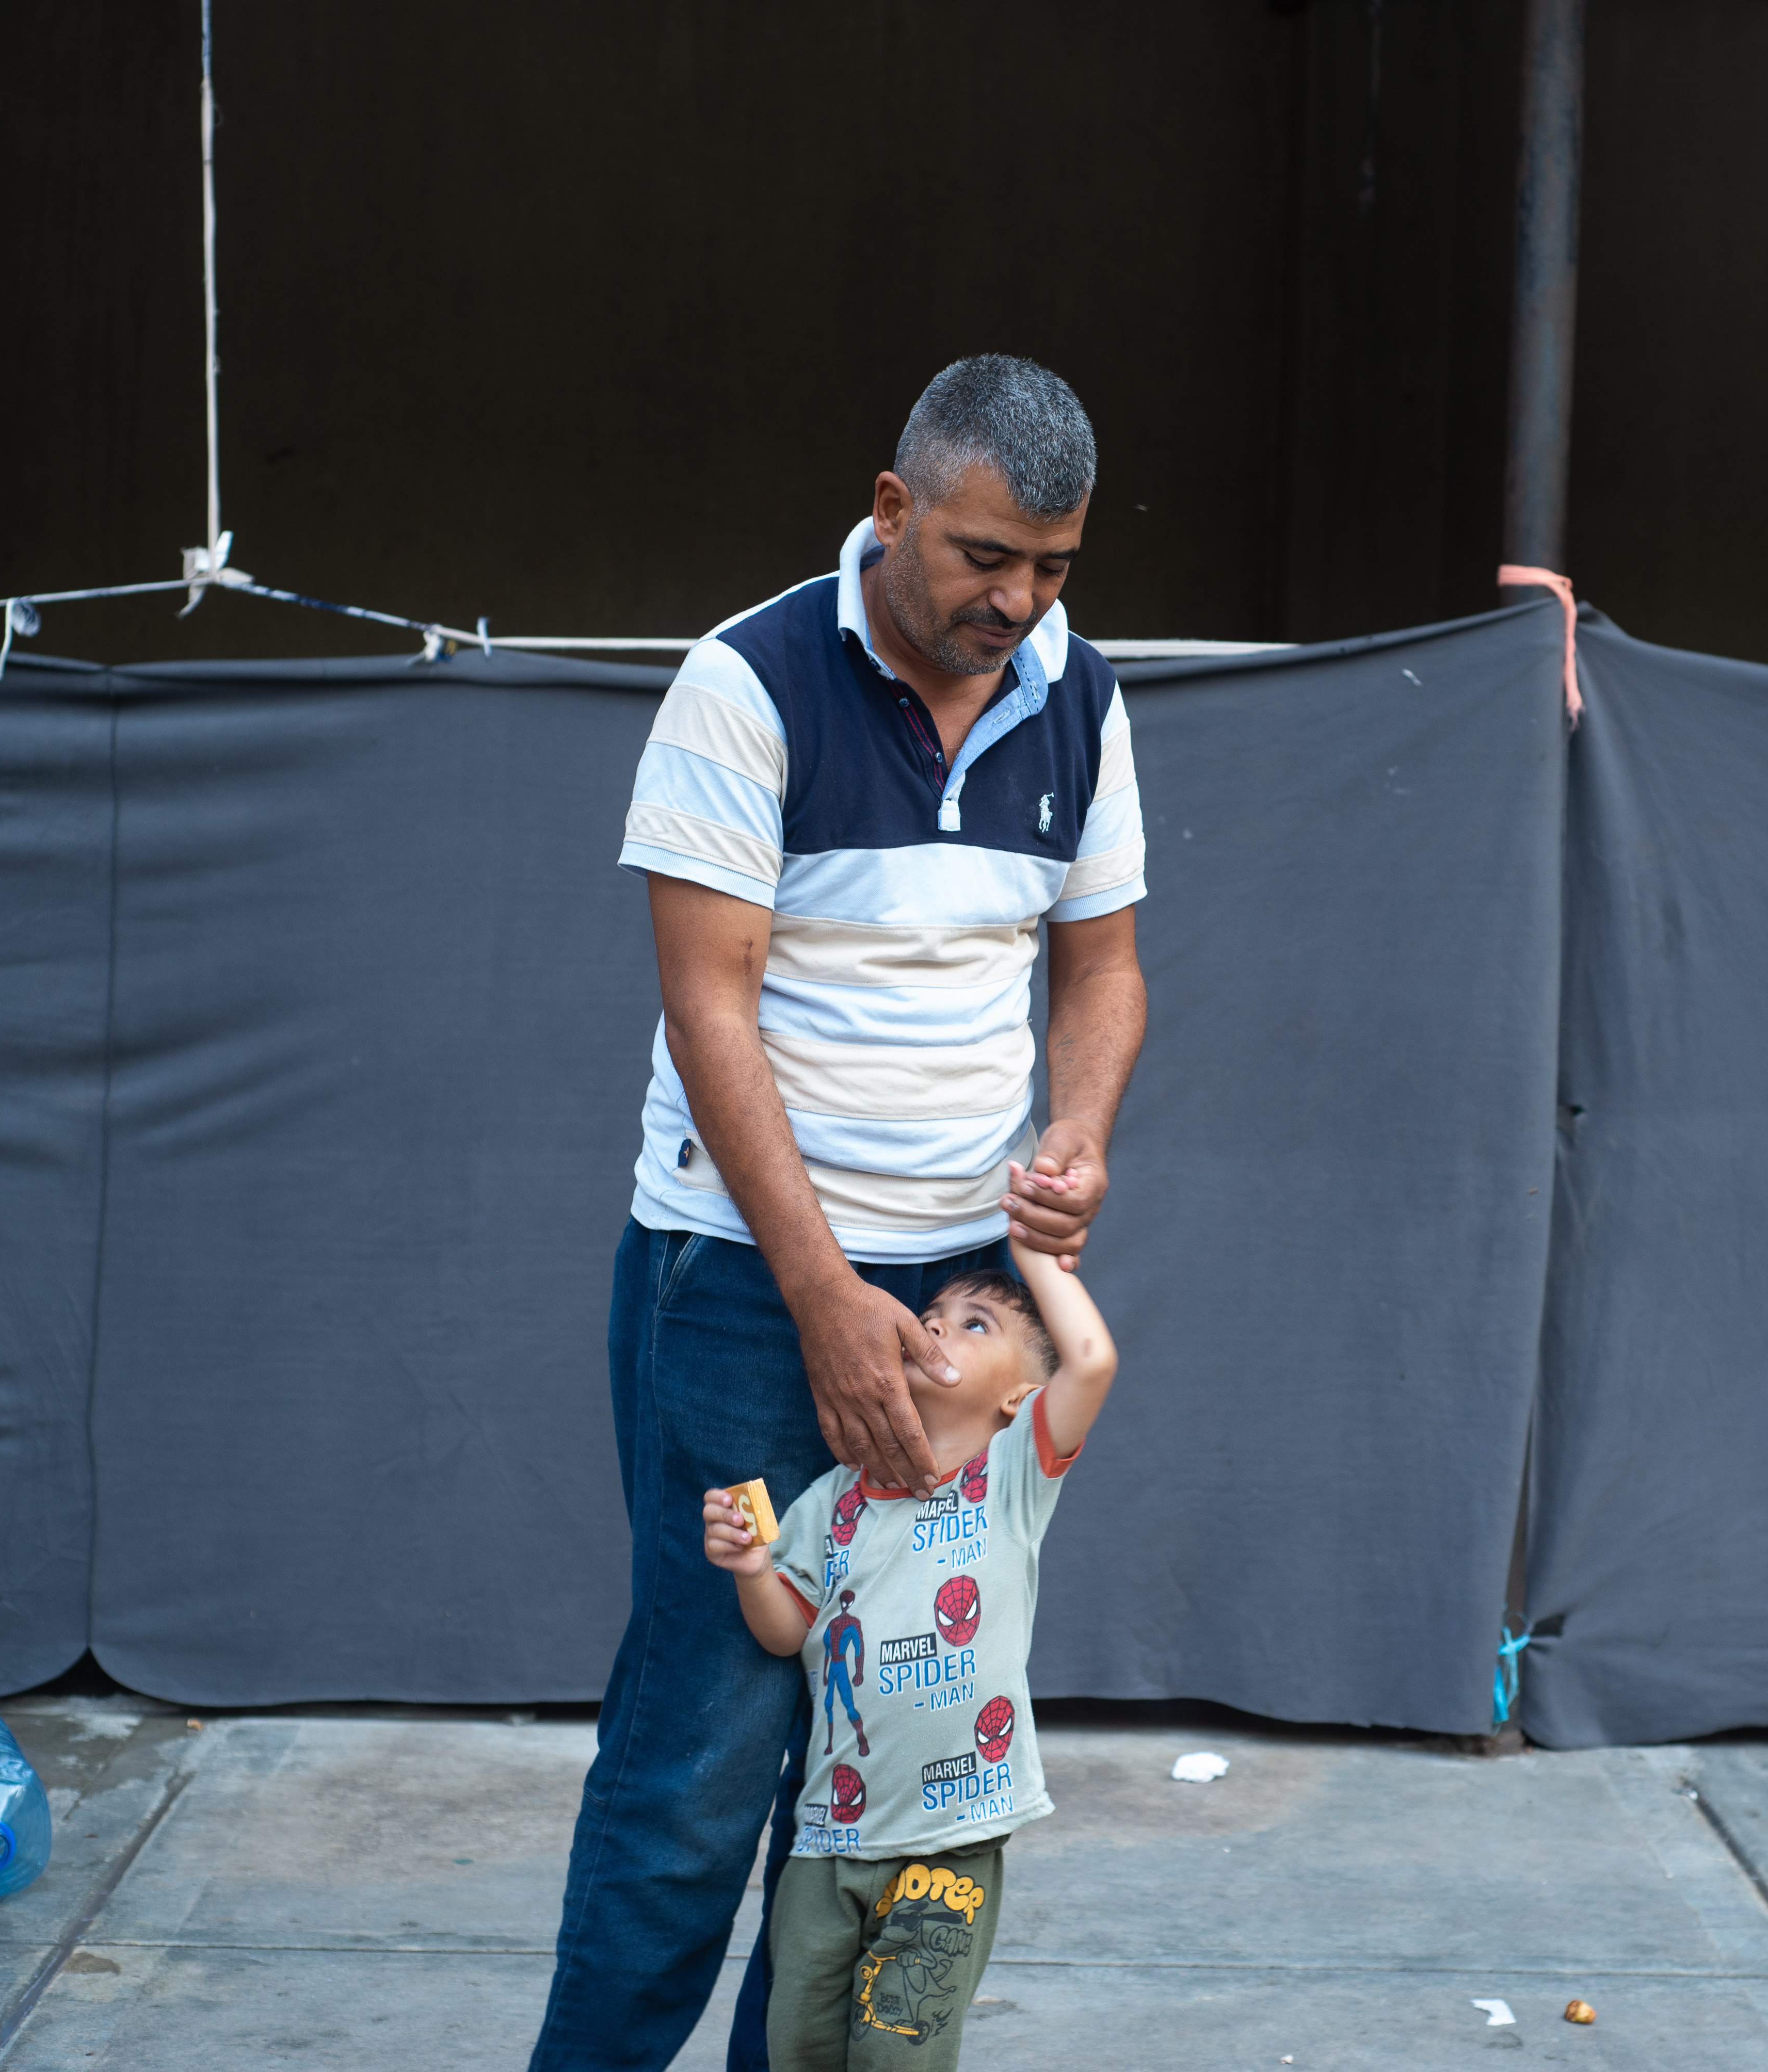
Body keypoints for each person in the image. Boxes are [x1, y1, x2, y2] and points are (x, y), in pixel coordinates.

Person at [530, 357, 1147, 2072]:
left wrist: (1076, 1131)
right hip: (742, 1285)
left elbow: (1100, 967)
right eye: (980, 557)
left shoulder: (1077, 697)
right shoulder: (748, 684)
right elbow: (707, 1004)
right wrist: (817, 1295)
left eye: (1052, 568)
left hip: (959, 1291)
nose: (1015, 603)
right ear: (890, 512)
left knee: (877, 1772)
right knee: (702, 1760)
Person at [698, 1220, 1118, 2067]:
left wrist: (1035, 1257)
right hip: (827, 1838)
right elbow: (786, 1634)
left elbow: (1093, 1364)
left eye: (975, 1324)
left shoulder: (1010, 1478)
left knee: (900, 2056)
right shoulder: (829, 1501)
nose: (935, 1325)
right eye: (933, 1313)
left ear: (1016, 1401)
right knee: (800, 2047)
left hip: (950, 1842)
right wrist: (749, 1565)